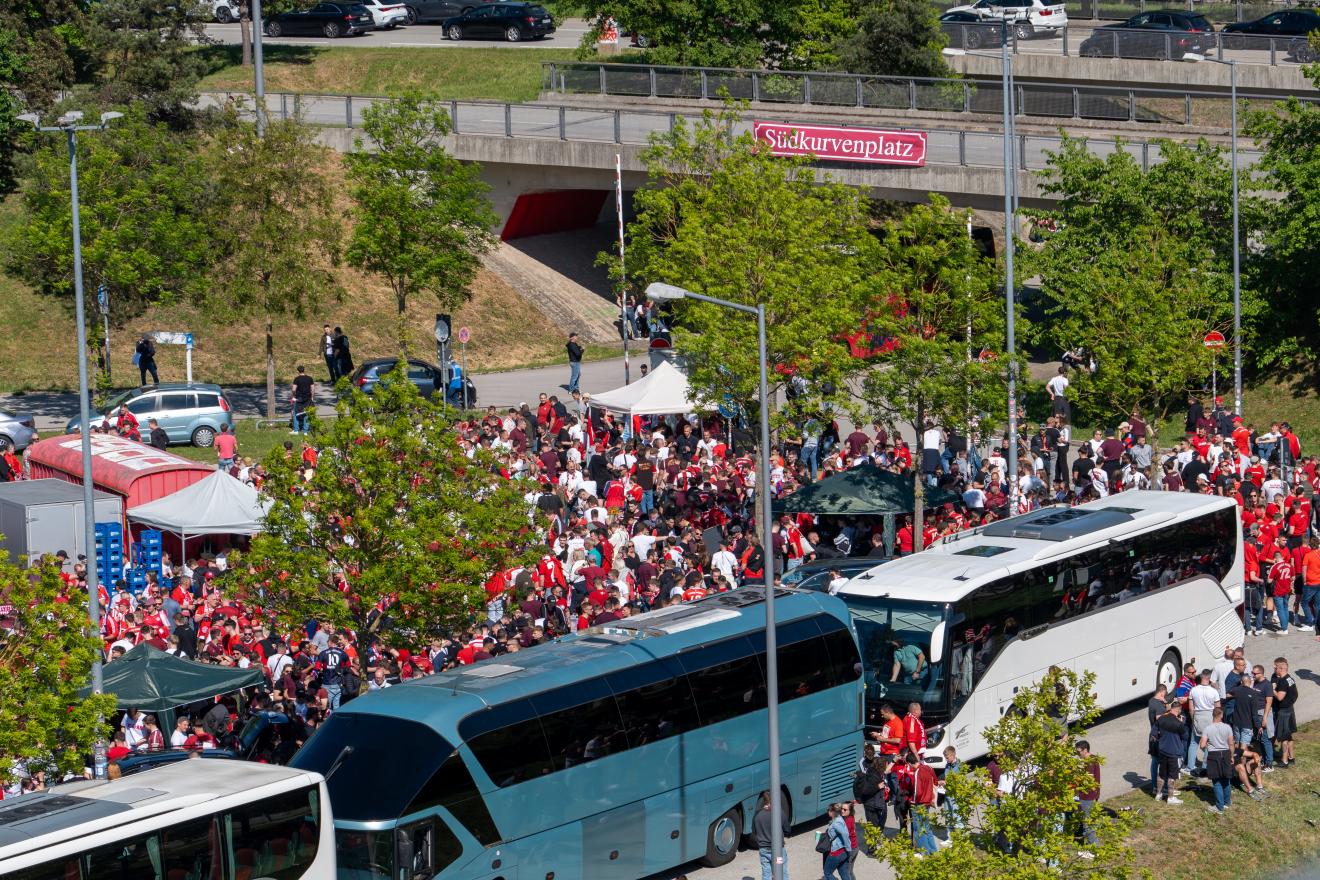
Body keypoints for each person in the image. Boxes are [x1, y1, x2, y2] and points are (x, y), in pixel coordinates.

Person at [1198, 707, 1235, 814]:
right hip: (1226, 753)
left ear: (1212, 715)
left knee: (1217, 781)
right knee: (1226, 779)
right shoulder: (1228, 727)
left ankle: (1219, 806)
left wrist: (1208, 746)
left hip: (1214, 755)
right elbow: (1231, 744)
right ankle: (1227, 802)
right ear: (1221, 715)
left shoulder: (1208, 728)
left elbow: (1202, 745)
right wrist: (1231, 756)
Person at [1154, 699, 1187, 803]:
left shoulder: (1161, 718)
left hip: (1162, 750)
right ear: (1179, 710)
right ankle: (1171, 797)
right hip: (1174, 752)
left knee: (1161, 774)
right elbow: (1185, 736)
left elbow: (1154, 733)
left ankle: (1158, 794)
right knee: (1172, 775)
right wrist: (1182, 723)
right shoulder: (1179, 723)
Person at [753, 790, 790, 880]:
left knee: (766, 873)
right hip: (778, 850)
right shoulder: (778, 812)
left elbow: (754, 831)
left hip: (764, 849)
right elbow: (787, 830)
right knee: (782, 871)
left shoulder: (757, 814)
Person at [1271, 656, 1298, 767]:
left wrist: (1272, 689)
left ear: (1281, 668)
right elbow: (1296, 694)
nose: (1274, 669)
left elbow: (1280, 697)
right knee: (1289, 735)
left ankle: (1284, 761)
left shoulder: (1282, 681)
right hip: (1290, 709)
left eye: (1275, 667)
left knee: (1283, 737)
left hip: (1284, 712)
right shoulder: (1290, 678)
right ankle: (1291, 758)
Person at [1075, 740, 1100, 846]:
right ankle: (1089, 840)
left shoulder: (1089, 762)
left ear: (1085, 750)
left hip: (1087, 795)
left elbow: (1088, 779)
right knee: (1089, 819)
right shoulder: (1093, 758)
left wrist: (1075, 777)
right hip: (1093, 794)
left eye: (1079, 751)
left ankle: (1094, 847)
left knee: (1087, 823)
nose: (1077, 754)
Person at [822, 803, 854, 880]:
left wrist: (849, 849)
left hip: (837, 852)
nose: (827, 812)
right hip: (843, 852)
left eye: (828, 810)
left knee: (827, 873)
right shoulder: (839, 819)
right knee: (844, 873)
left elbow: (845, 833)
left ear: (832, 812)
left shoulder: (836, 823)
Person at [291, 365, 314, 435]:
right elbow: (312, 388)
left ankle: (296, 430)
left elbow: (293, 389)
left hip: (299, 399)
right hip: (307, 398)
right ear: (304, 370)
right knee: (306, 414)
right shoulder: (310, 378)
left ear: (298, 371)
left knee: (296, 414)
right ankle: (305, 431)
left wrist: (293, 395)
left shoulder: (297, 379)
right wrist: (312, 397)